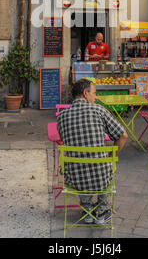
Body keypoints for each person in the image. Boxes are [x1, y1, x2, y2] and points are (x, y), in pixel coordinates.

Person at [57, 79, 127, 224]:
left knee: (79, 161)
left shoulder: (61, 116)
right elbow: (123, 136)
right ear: (85, 93)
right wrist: (110, 156)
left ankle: (87, 210)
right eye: (94, 93)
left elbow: (68, 141)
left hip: (73, 179)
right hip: (100, 178)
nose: (95, 97)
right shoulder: (99, 110)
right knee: (109, 164)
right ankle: (102, 211)